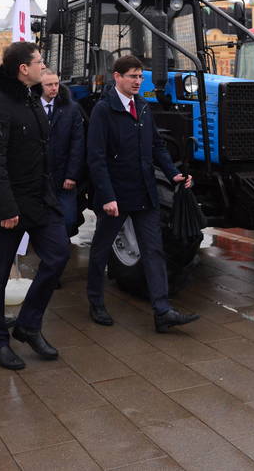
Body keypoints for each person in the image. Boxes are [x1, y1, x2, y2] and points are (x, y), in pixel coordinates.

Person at [87, 55, 199, 332]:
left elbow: (157, 146)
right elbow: (96, 158)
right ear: (117, 77)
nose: (138, 81)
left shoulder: (144, 107)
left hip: (144, 192)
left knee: (154, 251)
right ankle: (96, 303)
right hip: (116, 195)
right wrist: (107, 196)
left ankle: (162, 312)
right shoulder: (103, 110)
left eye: (140, 76)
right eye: (132, 76)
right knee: (101, 250)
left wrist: (173, 173)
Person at [0, 42, 70, 370]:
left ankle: (29, 324)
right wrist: (5, 208)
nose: (44, 66)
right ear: (22, 68)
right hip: (6, 206)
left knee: (59, 255)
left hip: (38, 201)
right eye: (39, 62)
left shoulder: (30, 96)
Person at [39, 70, 85, 237]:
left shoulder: (71, 109)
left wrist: (72, 175)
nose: (54, 88)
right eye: (49, 85)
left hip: (64, 177)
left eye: (56, 84)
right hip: (39, 177)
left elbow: (77, 144)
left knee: (68, 219)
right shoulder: (32, 108)